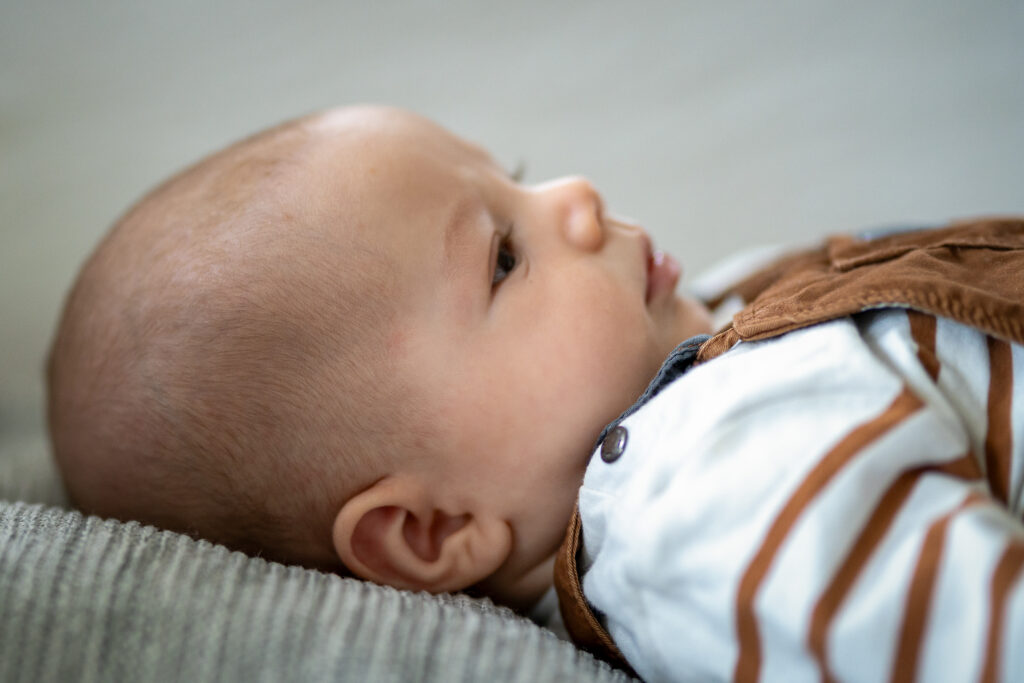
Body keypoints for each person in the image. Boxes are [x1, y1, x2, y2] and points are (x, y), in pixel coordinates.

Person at [47, 105, 1023, 682]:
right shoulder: (702, 499)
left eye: (512, 179)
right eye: (505, 256)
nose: (578, 195)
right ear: (429, 531)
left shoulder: (703, 324)